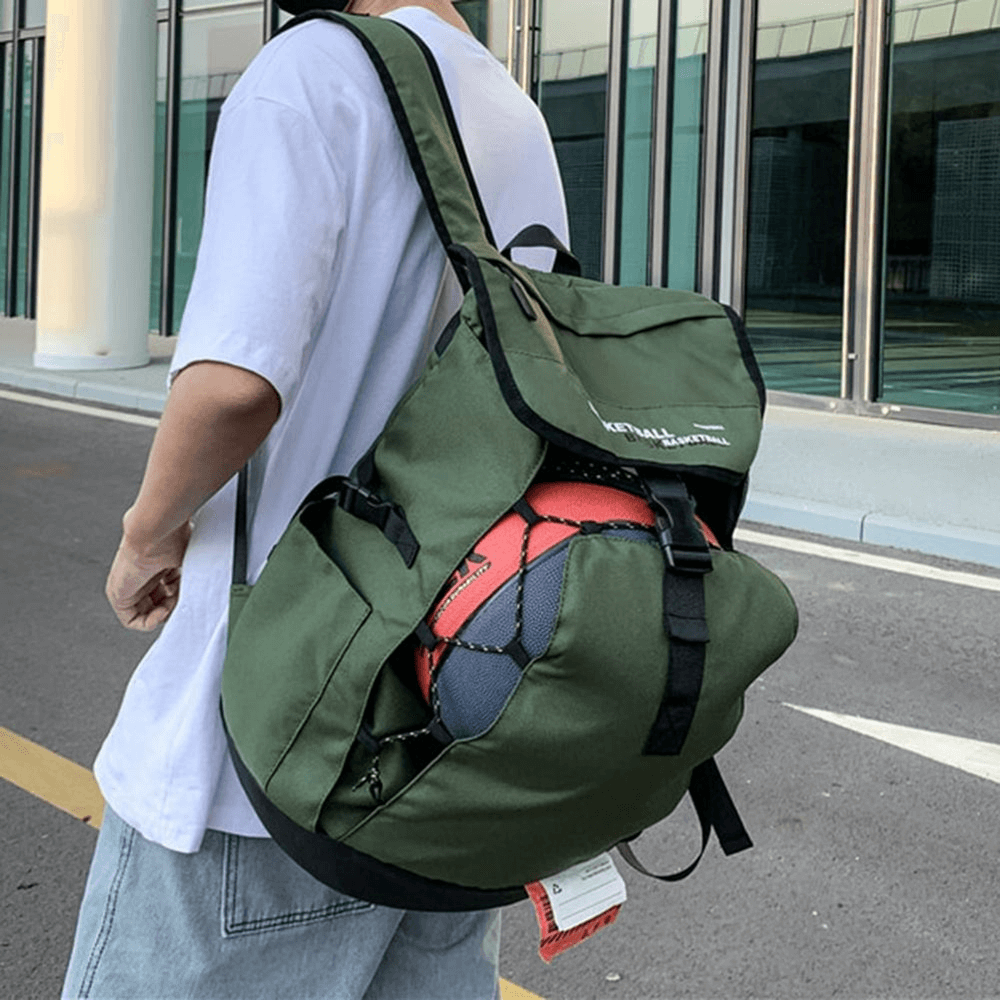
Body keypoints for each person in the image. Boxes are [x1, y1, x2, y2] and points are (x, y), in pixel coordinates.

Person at [61, 2, 569, 997]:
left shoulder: (309, 74)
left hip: (266, 746)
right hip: (443, 737)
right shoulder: (513, 115)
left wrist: (142, 540)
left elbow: (235, 385)